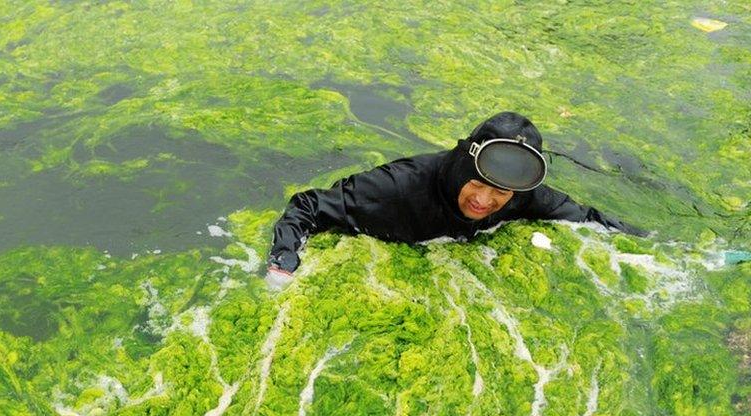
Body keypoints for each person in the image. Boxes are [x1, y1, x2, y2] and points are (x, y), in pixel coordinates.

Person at [264, 112, 649, 290]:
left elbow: (586, 218)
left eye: (499, 193)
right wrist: (283, 263)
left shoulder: (522, 196)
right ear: (464, 165)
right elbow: (307, 206)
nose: (484, 201)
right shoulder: (395, 188)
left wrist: (649, 247)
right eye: (477, 185)